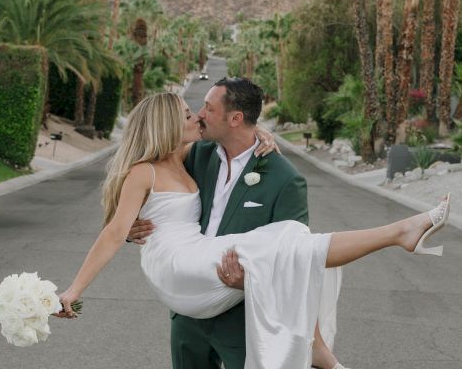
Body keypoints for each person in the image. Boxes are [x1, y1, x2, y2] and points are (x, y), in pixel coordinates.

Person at [57, 90, 451, 369]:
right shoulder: (144, 171)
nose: (197, 116)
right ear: (165, 125)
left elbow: (236, 141)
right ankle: (397, 236)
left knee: (290, 244)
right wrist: (74, 290)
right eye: (189, 113)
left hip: (202, 260)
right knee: (282, 250)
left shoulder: (192, 156)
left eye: (201, 111)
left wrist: (259, 133)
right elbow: (113, 232)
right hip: (177, 263)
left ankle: (399, 235)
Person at [127, 77, 343, 369]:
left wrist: (249, 281)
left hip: (241, 315)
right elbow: (152, 190)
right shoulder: (194, 155)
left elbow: (294, 257)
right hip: (188, 313)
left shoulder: (285, 179)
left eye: (208, 108)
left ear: (236, 118)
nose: (199, 114)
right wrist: (131, 226)